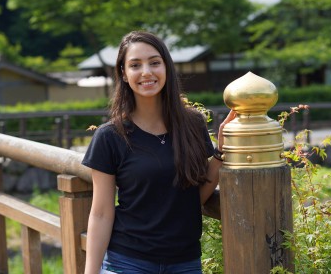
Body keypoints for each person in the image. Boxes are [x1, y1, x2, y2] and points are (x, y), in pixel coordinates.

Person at [82, 31, 235, 274]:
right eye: (135, 65)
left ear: (166, 67)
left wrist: (220, 154)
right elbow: (100, 213)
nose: (146, 72)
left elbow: (193, 199)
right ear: (123, 73)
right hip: (128, 261)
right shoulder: (110, 136)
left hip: (185, 262)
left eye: (154, 62)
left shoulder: (192, 125)